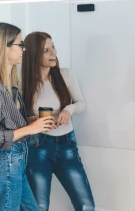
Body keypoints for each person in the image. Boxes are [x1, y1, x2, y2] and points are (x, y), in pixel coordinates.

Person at [0, 22, 55, 211]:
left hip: (14, 165)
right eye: (20, 44)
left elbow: (5, 126)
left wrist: (28, 123)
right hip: (5, 167)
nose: (24, 49)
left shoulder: (9, 86)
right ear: (4, 48)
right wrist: (30, 129)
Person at [20, 31, 95, 211]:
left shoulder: (65, 74)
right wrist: (32, 120)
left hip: (67, 145)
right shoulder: (22, 82)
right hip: (37, 147)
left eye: (53, 47)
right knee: (39, 207)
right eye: (46, 50)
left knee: (86, 205)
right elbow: (18, 116)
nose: (53, 53)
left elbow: (81, 104)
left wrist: (68, 110)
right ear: (33, 54)